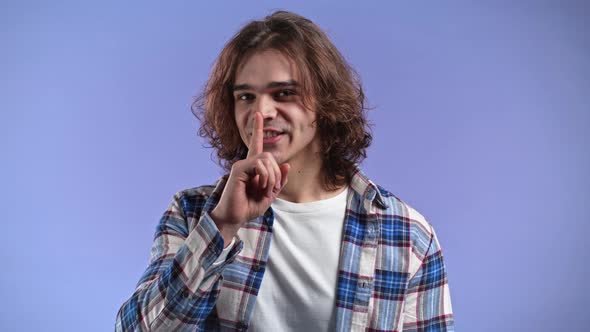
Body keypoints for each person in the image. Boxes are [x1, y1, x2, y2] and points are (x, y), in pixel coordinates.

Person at [116, 10, 454, 332]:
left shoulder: (406, 234)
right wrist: (223, 226)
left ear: (325, 101)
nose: (261, 112)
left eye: (284, 93)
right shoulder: (193, 214)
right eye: (246, 97)